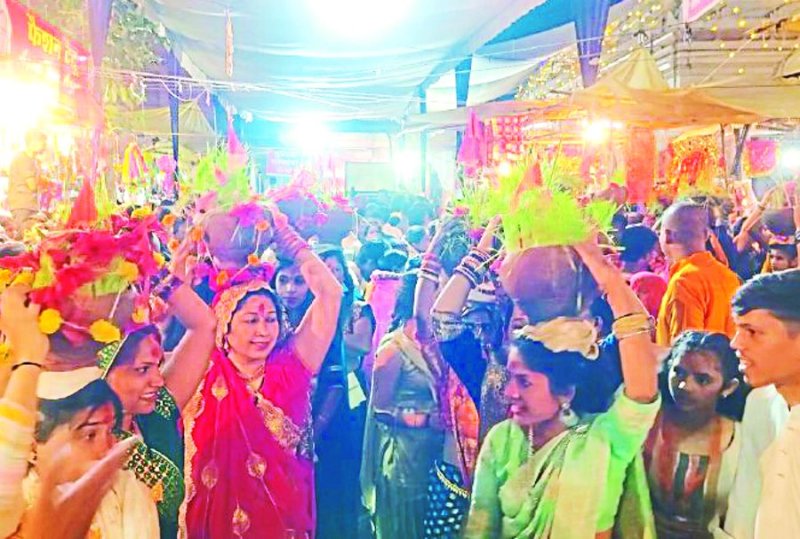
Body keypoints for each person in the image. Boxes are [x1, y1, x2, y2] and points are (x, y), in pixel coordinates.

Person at [464, 240, 661, 538]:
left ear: (565, 392)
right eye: (511, 378)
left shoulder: (605, 439)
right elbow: (480, 528)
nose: (509, 393)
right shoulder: (502, 440)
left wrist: (603, 271)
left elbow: (642, 386)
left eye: (524, 381)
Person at [184, 212, 342, 538]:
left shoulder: (291, 367)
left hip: (283, 521)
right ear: (224, 326)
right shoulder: (199, 371)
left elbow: (331, 293)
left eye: (270, 319)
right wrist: (190, 243)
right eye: (251, 321)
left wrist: (288, 238)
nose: (263, 331)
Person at [100, 240, 216, 539]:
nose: (159, 380)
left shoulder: (157, 411)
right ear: (101, 373)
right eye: (142, 370)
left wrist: (152, 268)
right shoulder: (82, 440)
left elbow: (204, 324)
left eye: (157, 366)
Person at [362, 271, 444, 539]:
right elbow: (380, 409)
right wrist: (423, 419)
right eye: (438, 290)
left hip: (434, 453)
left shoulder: (437, 343)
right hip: (404, 458)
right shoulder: (394, 349)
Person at [644, 331, 748, 538]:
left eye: (702, 380)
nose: (685, 385)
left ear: (729, 387)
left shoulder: (739, 440)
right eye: (678, 372)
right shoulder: (646, 424)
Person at [728, 270, 800, 538]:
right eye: (738, 330)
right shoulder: (760, 403)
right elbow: (744, 503)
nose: (736, 343)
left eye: (753, 332)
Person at [657, 202, 741, 346]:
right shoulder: (728, 275)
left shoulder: (684, 282)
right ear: (706, 235)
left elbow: (685, 349)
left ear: (668, 236)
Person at [7, 130, 46, 234]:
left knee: (30, 237)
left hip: (28, 205)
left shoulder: (31, 160)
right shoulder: (23, 159)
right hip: (22, 206)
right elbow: (32, 185)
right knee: (25, 236)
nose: (44, 145)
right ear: (33, 142)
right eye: (42, 142)